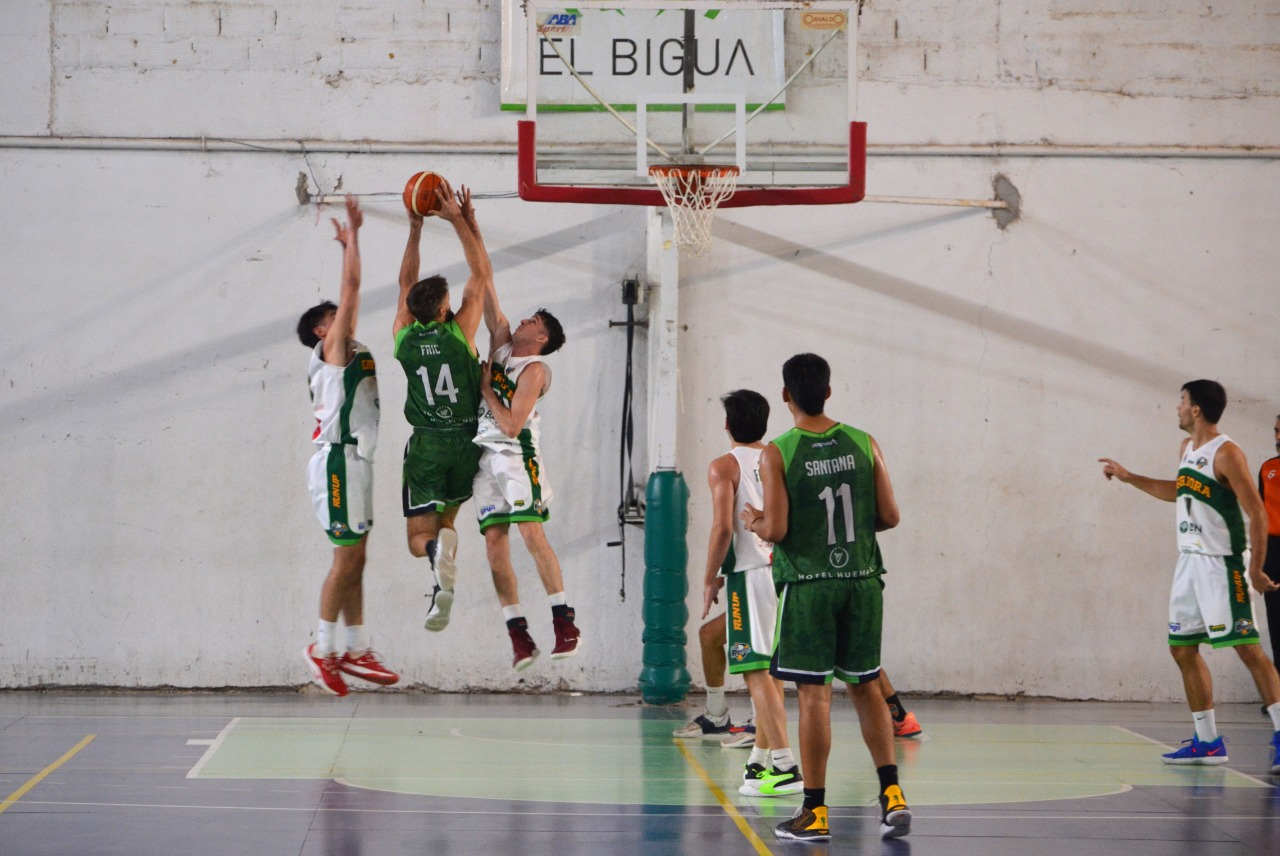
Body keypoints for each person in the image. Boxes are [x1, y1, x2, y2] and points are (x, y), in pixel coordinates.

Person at [743, 353, 910, 841]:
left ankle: (814, 812)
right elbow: (891, 516)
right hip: (862, 580)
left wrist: (753, 521)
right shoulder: (864, 442)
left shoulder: (779, 452)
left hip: (810, 586)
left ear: (785, 395)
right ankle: (893, 793)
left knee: (814, 697)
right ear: (830, 392)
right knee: (866, 686)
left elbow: (777, 528)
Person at [1100, 380, 1280, 773]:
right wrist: (1131, 478)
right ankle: (1207, 742)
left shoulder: (1228, 453)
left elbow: (1259, 513)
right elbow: (1178, 490)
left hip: (1222, 563)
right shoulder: (1187, 450)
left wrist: (1255, 567)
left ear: (1196, 409)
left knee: (1247, 647)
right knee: (1182, 648)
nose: (1177, 408)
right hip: (1189, 562)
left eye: (1181, 402)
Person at [297, 196, 399, 696]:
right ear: (322, 330)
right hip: (337, 459)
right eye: (334, 316)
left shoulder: (353, 351)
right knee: (345, 560)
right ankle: (321, 647)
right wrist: (353, 238)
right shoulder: (332, 351)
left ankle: (356, 648)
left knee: (357, 558)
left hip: (357, 461)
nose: (345, 317)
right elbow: (353, 287)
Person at [468, 202, 577, 670]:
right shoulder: (502, 343)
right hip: (485, 459)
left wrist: (487, 387)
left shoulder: (535, 368)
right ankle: (517, 633)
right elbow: (485, 278)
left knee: (531, 534)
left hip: (516, 455)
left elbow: (512, 425)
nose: (524, 321)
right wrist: (468, 224)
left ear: (542, 338)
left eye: (533, 321)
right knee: (494, 543)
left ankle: (563, 619)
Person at [698, 390, 803, 798]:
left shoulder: (724, 466)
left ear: (727, 425)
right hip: (783, 572)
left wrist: (710, 577)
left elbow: (723, 528)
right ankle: (760, 760)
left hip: (751, 575)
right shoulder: (780, 457)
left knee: (755, 671)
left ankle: (786, 765)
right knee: (770, 673)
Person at [394, 183, 486, 632]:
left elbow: (406, 284)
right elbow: (480, 275)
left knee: (419, 537)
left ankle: (435, 560)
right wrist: (460, 221)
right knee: (447, 521)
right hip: (468, 443)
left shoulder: (404, 338)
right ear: (447, 306)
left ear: (412, 312)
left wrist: (415, 227)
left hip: (427, 446)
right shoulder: (461, 334)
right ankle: (440, 587)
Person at [1259, 414, 1280, 666]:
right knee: (1276, 621)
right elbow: (1259, 513)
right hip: (1273, 553)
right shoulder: (1267, 468)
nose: (1277, 437)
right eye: (1276, 431)